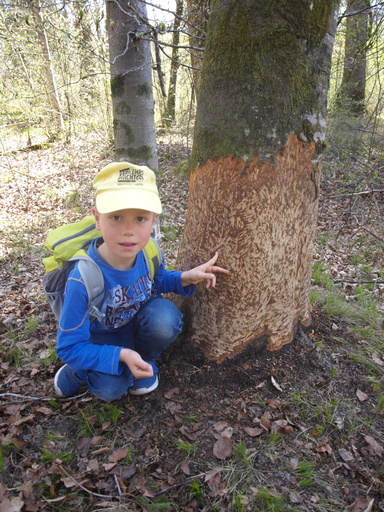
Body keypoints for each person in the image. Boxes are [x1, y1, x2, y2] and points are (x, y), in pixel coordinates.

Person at [54, 161, 229, 401]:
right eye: (116, 217)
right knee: (110, 389)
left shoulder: (149, 253)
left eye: (140, 218)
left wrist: (186, 277)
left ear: (153, 220)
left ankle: (144, 358)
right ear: (97, 218)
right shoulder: (83, 278)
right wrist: (122, 355)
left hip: (134, 326)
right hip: (99, 340)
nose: (129, 230)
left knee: (165, 319)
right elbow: (68, 346)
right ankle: (80, 371)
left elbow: (156, 282)